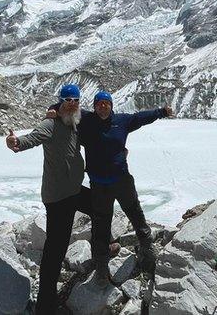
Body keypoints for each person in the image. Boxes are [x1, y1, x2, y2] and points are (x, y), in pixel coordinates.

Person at [6, 84, 103, 314]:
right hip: (59, 197)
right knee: (55, 251)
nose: (72, 103)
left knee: (100, 207)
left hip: (74, 190)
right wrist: (16, 143)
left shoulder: (74, 121)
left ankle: (103, 248)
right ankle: (45, 305)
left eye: (76, 99)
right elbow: (33, 138)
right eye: (67, 99)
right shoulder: (50, 124)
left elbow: (97, 118)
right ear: (61, 102)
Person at [59, 90, 174, 282]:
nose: (102, 106)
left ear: (111, 105)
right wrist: (54, 110)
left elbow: (141, 117)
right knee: (101, 223)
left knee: (135, 213)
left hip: (122, 181)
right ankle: (102, 264)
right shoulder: (86, 120)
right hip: (99, 185)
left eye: (106, 103)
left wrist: (162, 111)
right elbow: (69, 107)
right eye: (99, 103)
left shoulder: (122, 121)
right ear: (94, 106)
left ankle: (147, 249)